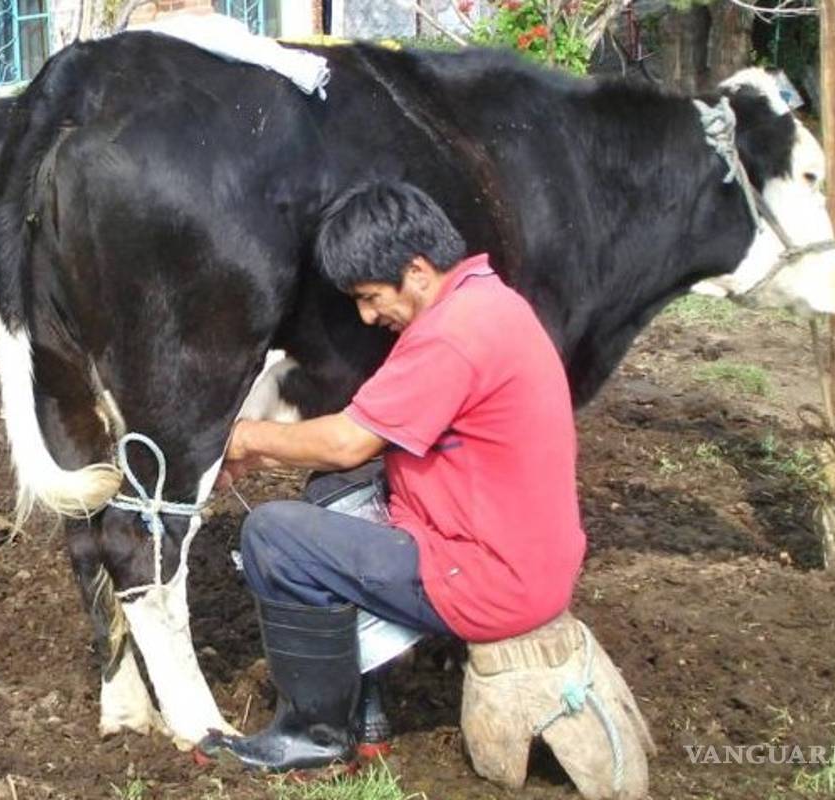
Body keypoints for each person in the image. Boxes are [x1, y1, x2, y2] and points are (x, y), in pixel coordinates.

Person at [197, 180, 588, 771]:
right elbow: (354, 446)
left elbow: (348, 440)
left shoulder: (449, 338)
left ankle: (315, 733)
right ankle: (366, 698)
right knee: (331, 493)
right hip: (522, 552)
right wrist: (260, 456)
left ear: (417, 268)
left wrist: (242, 438)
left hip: (492, 579)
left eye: (371, 295)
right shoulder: (486, 301)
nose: (367, 314)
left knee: (273, 536)